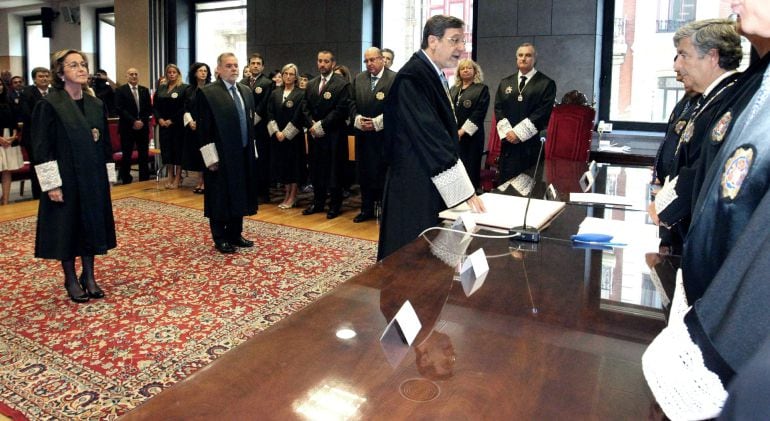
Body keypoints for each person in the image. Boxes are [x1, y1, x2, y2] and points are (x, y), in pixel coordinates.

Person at [642, 2, 770, 418]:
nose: (735, 3)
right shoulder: (754, 83)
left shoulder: (740, 90)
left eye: (683, 55)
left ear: (712, 57)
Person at [378, 15, 485, 260]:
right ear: (433, 41)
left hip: (428, 176)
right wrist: (464, 188)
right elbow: (430, 135)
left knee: (429, 251)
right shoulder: (413, 77)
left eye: (463, 40)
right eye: (455, 40)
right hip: (413, 182)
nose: (461, 48)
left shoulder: (432, 72)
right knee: (409, 253)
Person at [648, 19, 743, 251]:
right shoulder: (707, 98)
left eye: (684, 55)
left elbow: (704, 167)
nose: (677, 65)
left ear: (712, 56)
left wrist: (664, 207)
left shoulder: (729, 100)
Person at [29, 49, 116, 303]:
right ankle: (70, 278)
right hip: (64, 178)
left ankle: (88, 276)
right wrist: (51, 184)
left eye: (83, 64)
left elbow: (106, 145)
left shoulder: (96, 103)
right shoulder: (49, 105)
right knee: (68, 228)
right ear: (60, 72)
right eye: (73, 65)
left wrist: (107, 175)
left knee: (91, 225)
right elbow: (41, 147)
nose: (81, 69)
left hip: (92, 177)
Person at [196, 52, 258, 254]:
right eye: (229, 66)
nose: (234, 69)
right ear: (219, 69)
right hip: (220, 156)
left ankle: (235, 233)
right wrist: (210, 158)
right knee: (219, 195)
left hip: (242, 152)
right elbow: (203, 130)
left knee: (239, 193)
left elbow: (249, 123)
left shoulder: (246, 91)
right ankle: (220, 237)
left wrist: (252, 149)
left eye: (236, 65)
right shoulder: (208, 93)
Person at [494, 43, 556, 183]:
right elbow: (498, 108)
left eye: (528, 55)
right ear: (516, 59)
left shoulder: (546, 83)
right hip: (509, 145)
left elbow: (542, 112)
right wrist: (509, 133)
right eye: (520, 55)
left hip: (530, 145)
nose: (523, 58)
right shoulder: (505, 83)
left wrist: (518, 134)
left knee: (528, 188)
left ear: (535, 59)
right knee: (506, 187)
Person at [302, 49, 352, 219]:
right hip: (315, 134)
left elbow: (341, 110)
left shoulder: (342, 84)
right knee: (316, 170)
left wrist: (322, 125)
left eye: (326, 61)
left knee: (333, 171)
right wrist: (312, 124)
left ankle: (335, 205)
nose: (322, 64)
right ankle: (318, 202)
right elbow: (305, 107)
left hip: (334, 135)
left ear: (333, 63)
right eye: (319, 61)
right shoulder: (311, 83)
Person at [350, 47, 396, 223]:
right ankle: (366, 209)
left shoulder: (394, 78)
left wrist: (378, 122)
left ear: (382, 60)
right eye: (366, 61)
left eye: (372, 60)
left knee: (383, 174)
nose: (369, 64)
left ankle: (385, 210)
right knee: (364, 174)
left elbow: (398, 106)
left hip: (384, 137)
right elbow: (351, 102)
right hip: (363, 136)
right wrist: (357, 118)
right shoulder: (359, 78)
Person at [267, 63, 305, 209]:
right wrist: (276, 132)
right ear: (282, 75)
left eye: (291, 74)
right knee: (282, 166)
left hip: (293, 137)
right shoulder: (275, 93)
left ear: (296, 77)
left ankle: (293, 196)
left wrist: (286, 133)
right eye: (286, 74)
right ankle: (286, 193)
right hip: (278, 137)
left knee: (293, 166)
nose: (288, 77)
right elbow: (269, 113)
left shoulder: (300, 94)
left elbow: (298, 116)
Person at [450, 58, 490, 191]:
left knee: (470, 169)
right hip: (454, 137)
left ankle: (470, 198)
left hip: (471, 138)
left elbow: (479, 114)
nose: (465, 70)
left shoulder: (481, 89)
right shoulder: (453, 89)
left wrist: (462, 131)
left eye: (469, 68)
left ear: (475, 71)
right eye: (462, 68)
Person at [114, 67, 153, 184]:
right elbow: (119, 109)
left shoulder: (144, 90)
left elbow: (148, 109)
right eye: (131, 74)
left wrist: (141, 121)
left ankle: (144, 178)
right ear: (127, 76)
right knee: (127, 154)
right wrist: (133, 121)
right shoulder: (121, 90)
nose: (134, 76)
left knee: (143, 154)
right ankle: (126, 178)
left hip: (143, 127)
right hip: (127, 127)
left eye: (136, 74)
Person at [153, 63, 188, 189]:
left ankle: (178, 177)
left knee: (177, 151)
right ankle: (170, 176)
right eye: (169, 72)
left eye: (174, 72)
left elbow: (184, 107)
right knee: (167, 151)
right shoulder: (162, 88)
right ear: (166, 74)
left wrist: (172, 120)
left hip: (177, 125)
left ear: (178, 74)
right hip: (163, 125)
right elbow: (155, 106)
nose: (172, 74)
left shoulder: (184, 88)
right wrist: (160, 119)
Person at [246, 53, 274, 204]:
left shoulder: (267, 83)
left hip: (260, 128)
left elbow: (265, 104)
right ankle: (250, 191)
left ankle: (263, 193)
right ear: (249, 65)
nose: (255, 65)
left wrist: (252, 119)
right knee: (249, 160)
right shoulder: (243, 82)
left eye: (258, 63)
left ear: (263, 66)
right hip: (246, 128)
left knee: (262, 160)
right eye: (253, 63)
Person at [20, 66, 51, 199]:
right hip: (34, 137)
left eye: (46, 76)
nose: (44, 79)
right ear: (34, 79)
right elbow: (27, 115)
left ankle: (53, 191)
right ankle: (38, 195)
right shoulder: (27, 93)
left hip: (52, 135)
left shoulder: (55, 92)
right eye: (40, 76)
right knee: (37, 166)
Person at [181, 62, 212, 193]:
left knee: (206, 153)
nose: (203, 73)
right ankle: (200, 180)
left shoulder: (211, 88)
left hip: (206, 127)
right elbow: (185, 107)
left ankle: (206, 182)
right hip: (193, 127)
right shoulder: (189, 90)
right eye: (200, 71)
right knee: (197, 155)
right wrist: (190, 122)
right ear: (195, 73)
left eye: (205, 71)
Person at [0, 79, 24, 205]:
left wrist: (14, 135)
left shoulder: (8, 102)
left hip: (9, 138)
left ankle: (5, 201)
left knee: (6, 170)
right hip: (0, 138)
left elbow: (15, 120)